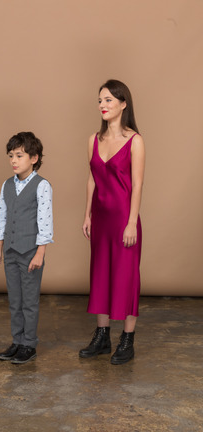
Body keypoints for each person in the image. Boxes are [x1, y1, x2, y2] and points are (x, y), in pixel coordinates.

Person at [79, 79, 145, 365]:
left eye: (108, 100)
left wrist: (131, 222)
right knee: (101, 274)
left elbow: (139, 184)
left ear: (123, 104)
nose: (102, 105)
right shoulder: (93, 139)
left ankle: (127, 340)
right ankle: (102, 335)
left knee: (126, 277)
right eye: (100, 100)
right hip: (101, 218)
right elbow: (93, 177)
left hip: (123, 219)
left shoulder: (135, 141)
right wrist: (87, 214)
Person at [0, 132, 53, 364]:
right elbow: (1, 217)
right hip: (10, 252)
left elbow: (45, 221)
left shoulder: (42, 186)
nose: (14, 161)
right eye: (11, 156)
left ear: (34, 158)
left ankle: (29, 344)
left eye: (19, 155)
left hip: (30, 253)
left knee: (29, 301)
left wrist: (40, 252)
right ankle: (17, 341)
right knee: (15, 300)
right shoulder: (7, 185)